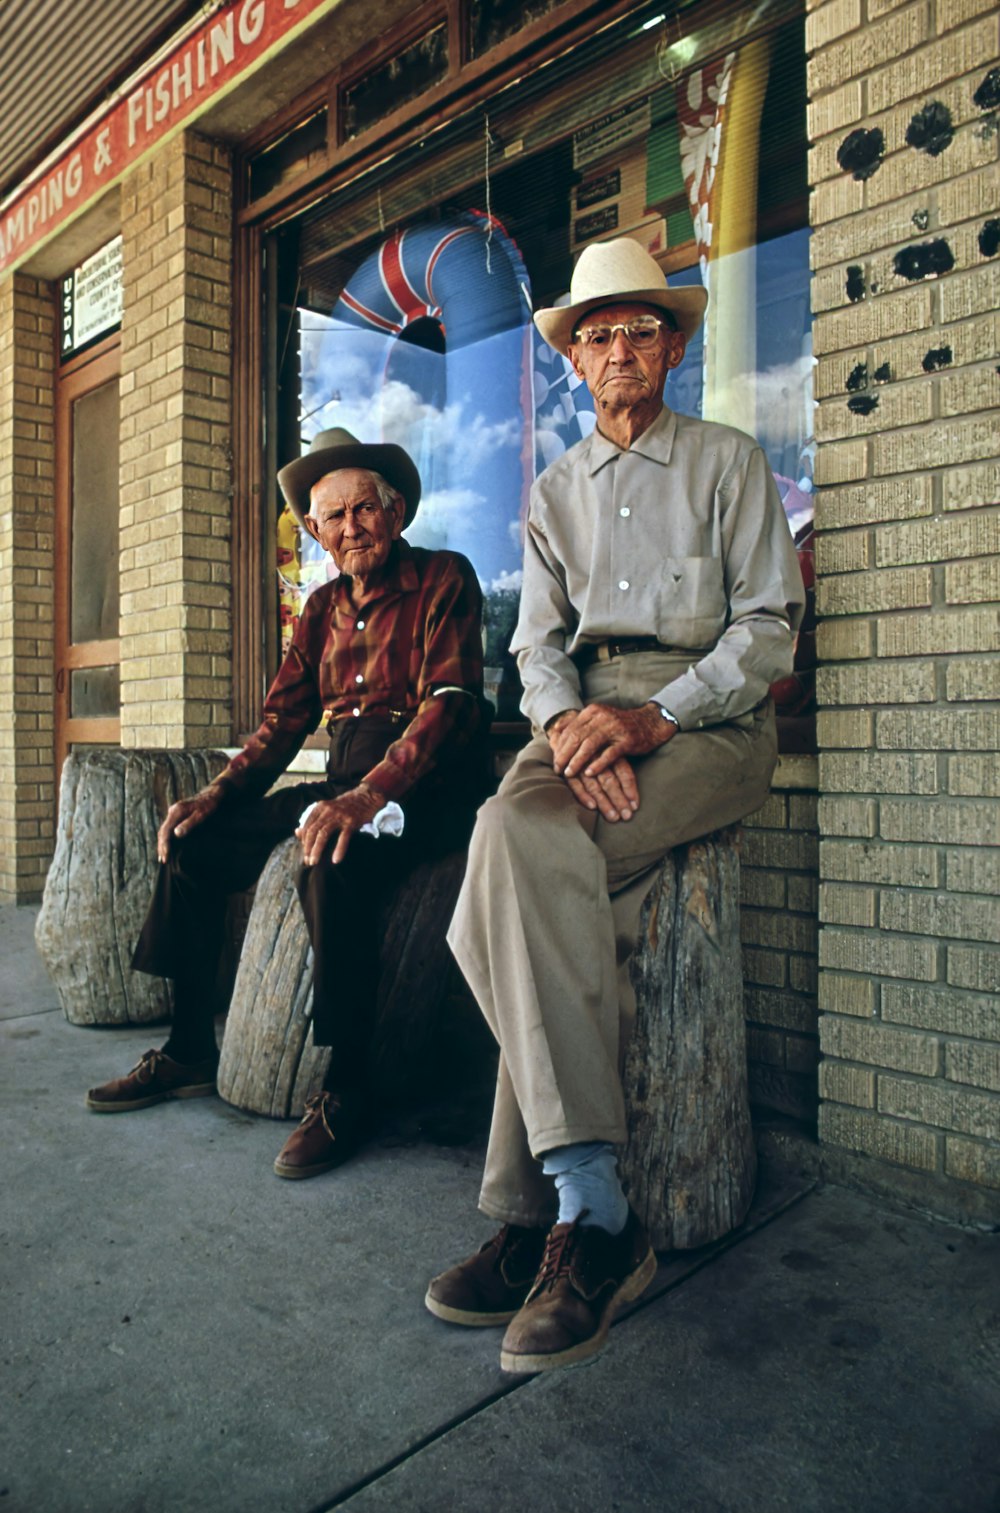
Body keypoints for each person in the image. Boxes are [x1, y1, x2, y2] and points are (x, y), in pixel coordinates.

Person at [425, 238, 805, 1373]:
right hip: (580, 723)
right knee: (507, 836)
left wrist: (656, 717)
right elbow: (538, 650)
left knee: (521, 892)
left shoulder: (729, 461)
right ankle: (593, 1210)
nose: (617, 348)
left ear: (674, 349)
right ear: (573, 363)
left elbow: (768, 633)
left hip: (711, 725)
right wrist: (565, 730)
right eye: (595, 334)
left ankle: (552, 1211)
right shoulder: (550, 492)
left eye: (639, 328)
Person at [87, 429, 486, 1179]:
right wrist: (213, 792)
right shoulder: (321, 607)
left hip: (427, 784)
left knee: (329, 858)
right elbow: (280, 724)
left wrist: (373, 793)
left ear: (395, 512)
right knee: (197, 840)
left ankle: (347, 1086)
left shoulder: (444, 577)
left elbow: (454, 703)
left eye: (364, 509)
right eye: (331, 518)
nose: (350, 528)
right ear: (312, 530)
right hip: (345, 780)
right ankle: (186, 1048)